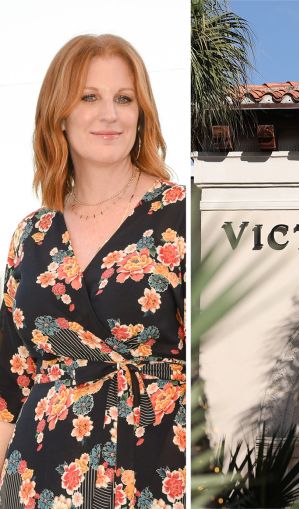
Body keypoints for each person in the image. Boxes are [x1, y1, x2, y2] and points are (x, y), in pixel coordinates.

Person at [0, 34, 186, 508]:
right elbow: (8, 390)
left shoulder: (184, 216)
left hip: (155, 479)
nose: (110, 114)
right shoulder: (32, 235)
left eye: (124, 99)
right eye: (89, 97)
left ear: (141, 113)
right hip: (35, 485)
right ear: (59, 114)